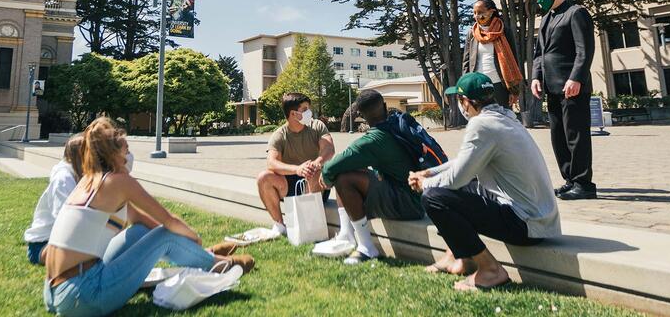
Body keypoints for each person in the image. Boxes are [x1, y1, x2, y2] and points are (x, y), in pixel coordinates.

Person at [42, 118, 253, 316]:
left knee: (144, 231)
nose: (129, 156)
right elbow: (167, 221)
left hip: (55, 293)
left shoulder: (90, 181)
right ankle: (218, 263)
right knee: (166, 235)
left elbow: (143, 221)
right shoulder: (118, 181)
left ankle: (204, 255)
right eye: (127, 151)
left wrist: (192, 247)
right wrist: (194, 238)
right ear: (115, 154)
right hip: (82, 295)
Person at [410, 72, 561, 291]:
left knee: (435, 198)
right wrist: (429, 173)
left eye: (459, 101)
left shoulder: (481, 125)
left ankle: (491, 270)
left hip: (525, 225)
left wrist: (425, 184)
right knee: (459, 189)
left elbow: (456, 178)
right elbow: (464, 163)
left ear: (466, 102)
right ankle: (456, 256)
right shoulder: (505, 117)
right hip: (539, 219)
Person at [319, 89, 425, 265]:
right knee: (350, 167)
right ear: (384, 106)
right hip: (416, 196)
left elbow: (330, 168)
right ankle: (346, 234)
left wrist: (326, 180)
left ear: (360, 115)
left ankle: (367, 247)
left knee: (344, 178)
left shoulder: (374, 139)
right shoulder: (396, 124)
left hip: (407, 204)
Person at [531, 0, 597, 201]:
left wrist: (576, 78)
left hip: (572, 86)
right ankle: (569, 180)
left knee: (575, 135)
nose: (539, 1)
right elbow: (540, 53)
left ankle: (583, 183)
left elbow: (584, 50)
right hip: (552, 87)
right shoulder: (546, 18)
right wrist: (536, 77)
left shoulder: (576, 13)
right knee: (558, 136)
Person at [257, 92, 335, 237]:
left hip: (315, 182)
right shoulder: (279, 134)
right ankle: (280, 226)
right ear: (293, 114)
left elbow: (329, 148)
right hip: (290, 182)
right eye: (305, 109)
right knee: (263, 177)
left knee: (313, 170)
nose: (309, 112)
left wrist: (316, 163)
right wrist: (298, 169)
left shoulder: (317, 126)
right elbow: (271, 163)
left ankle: (309, 227)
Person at [24, 134, 85, 265]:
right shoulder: (63, 179)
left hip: (63, 242)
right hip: (42, 246)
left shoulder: (78, 176)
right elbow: (64, 220)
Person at [462, 0, 524, 111]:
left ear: (491, 12)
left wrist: (514, 91)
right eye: (474, 13)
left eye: (480, 12)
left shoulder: (504, 31)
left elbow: (513, 61)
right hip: (478, 86)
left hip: (500, 85)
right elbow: (466, 62)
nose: (477, 16)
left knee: (503, 120)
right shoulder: (472, 33)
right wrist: (464, 87)